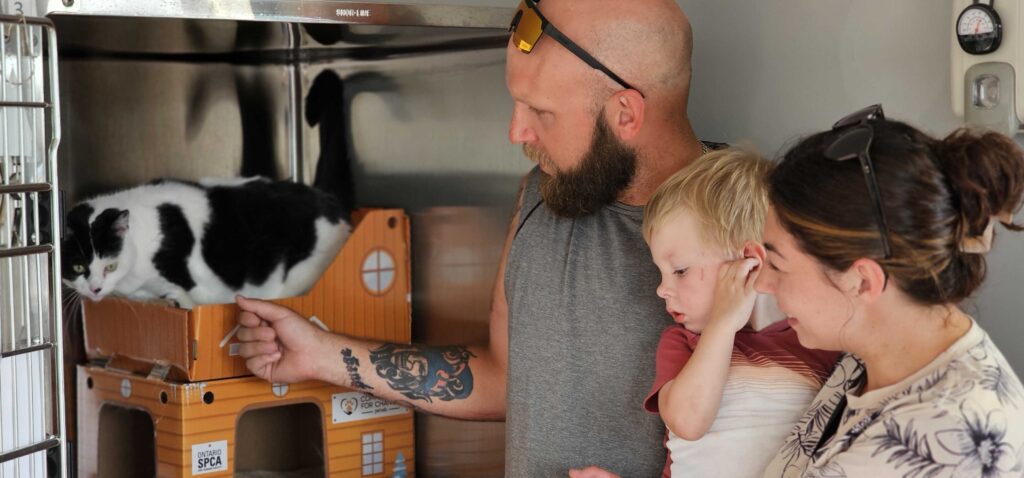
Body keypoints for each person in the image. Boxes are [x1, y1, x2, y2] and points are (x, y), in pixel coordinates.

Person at [234, 0, 710, 474]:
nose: (515, 131)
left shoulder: (745, 227)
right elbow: (505, 378)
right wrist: (322, 354)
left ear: (625, 113)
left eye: (541, 112)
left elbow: (780, 445)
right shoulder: (543, 196)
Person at [756, 104, 1024, 477]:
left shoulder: (944, 439)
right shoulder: (870, 353)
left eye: (777, 265)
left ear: (863, 281)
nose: (761, 283)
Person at [640, 148, 839, 477]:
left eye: (679, 270)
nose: (661, 289)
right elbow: (688, 422)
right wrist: (723, 324)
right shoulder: (683, 344)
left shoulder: (816, 340)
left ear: (749, 262)